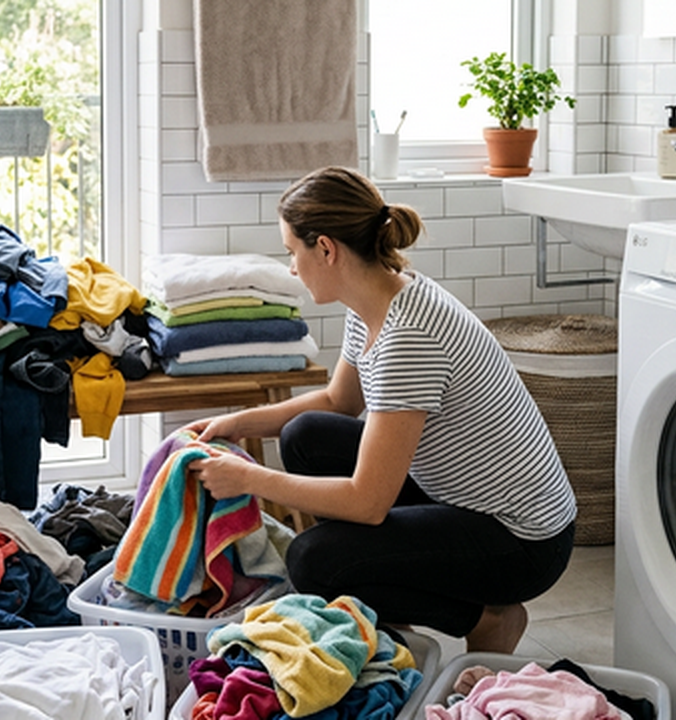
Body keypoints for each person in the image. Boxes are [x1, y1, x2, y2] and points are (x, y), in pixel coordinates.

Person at [185, 166, 576, 653]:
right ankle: (381, 586)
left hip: (521, 541)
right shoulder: (377, 296)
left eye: (292, 252)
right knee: (306, 434)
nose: (291, 268)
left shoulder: (408, 337)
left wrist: (249, 480)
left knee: (314, 562)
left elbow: (368, 503)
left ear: (326, 249)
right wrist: (236, 423)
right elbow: (338, 401)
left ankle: (485, 617)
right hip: (458, 495)